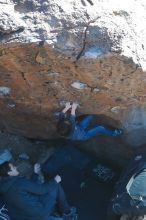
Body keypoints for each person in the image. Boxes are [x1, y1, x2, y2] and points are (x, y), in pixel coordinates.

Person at [0, 162, 77, 220]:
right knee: (55, 186)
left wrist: (35, 174)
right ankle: (68, 213)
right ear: (9, 173)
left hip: (28, 217)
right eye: (13, 167)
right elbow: (42, 190)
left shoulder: (3, 190)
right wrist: (55, 181)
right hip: (40, 213)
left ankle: (55, 211)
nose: (16, 167)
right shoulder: (18, 182)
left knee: (48, 188)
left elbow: (29, 189)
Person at [57, 102, 123, 141]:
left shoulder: (61, 124)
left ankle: (90, 127)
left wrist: (67, 107)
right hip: (83, 135)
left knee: (90, 117)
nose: (67, 121)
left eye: (65, 121)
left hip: (79, 128)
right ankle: (114, 133)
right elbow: (72, 117)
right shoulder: (71, 128)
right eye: (68, 123)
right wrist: (73, 107)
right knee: (100, 128)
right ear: (69, 126)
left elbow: (61, 114)